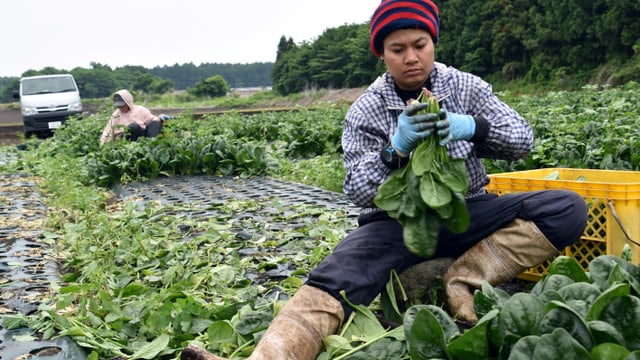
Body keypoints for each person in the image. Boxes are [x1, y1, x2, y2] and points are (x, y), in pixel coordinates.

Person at [181, 0, 588, 359]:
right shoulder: (367, 109)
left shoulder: (466, 87)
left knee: (565, 208)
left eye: (420, 45)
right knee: (337, 275)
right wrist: (395, 151)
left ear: (433, 43)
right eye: (398, 49)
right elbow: (357, 191)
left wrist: (473, 127)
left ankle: (461, 279)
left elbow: (523, 139)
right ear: (382, 54)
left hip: (468, 211)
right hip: (396, 223)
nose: (411, 57)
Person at [99, 89, 164, 144]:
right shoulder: (116, 114)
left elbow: (152, 119)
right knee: (133, 127)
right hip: (126, 139)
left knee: (155, 123)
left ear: (128, 102)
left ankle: (152, 144)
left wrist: (159, 118)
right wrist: (103, 143)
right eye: (118, 106)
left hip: (142, 136)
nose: (120, 108)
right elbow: (108, 130)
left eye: (122, 105)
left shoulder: (140, 110)